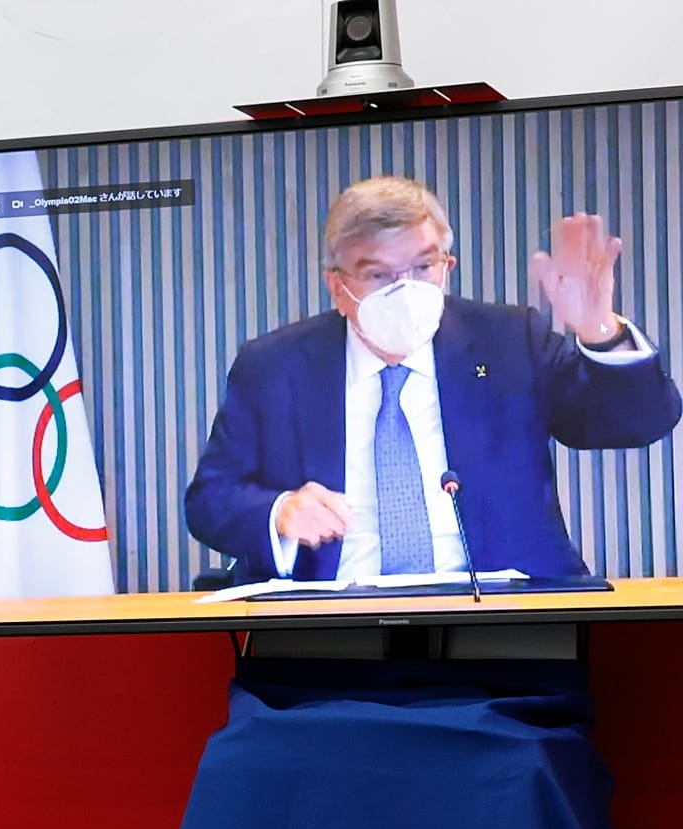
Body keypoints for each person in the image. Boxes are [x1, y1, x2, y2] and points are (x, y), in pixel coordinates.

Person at [184, 175, 682, 584]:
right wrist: (280, 512)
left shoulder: (509, 341)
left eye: (423, 266)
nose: (405, 289)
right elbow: (209, 499)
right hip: (327, 627)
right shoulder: (274, 366)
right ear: (337, 286)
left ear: (447, 267)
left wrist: (599, 330)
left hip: (507, 624)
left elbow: (634, 423)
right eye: (378, 274)